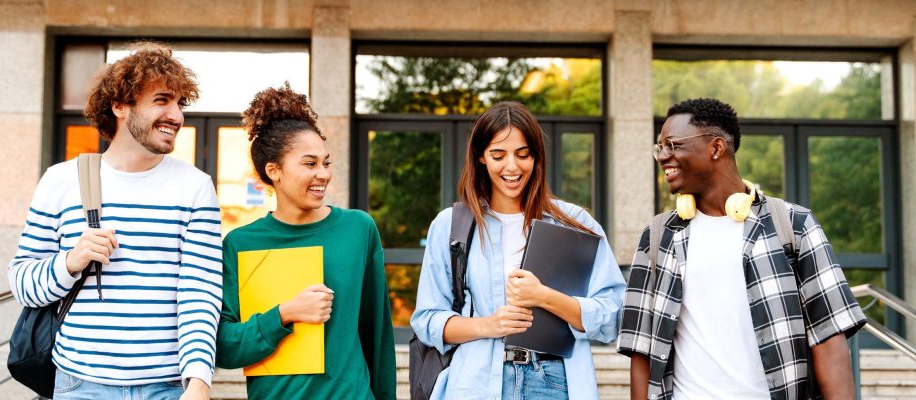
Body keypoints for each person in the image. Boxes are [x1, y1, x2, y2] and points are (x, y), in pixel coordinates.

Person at [7, 42, 222, 400]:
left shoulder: (195, 187)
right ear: (120, 105)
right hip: (80, 385)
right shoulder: (60, 181)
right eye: (162, 100)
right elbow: (21, 283)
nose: (176, 116)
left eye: (180, 104)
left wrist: (198, 380)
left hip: (167, 388)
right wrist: (69, 262)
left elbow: (200, 292)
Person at [618, 98, 867, 400]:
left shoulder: (793, 224)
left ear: (716, 148)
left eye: (673, 145)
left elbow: (829, 337)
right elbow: (641, 350)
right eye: (660, 148)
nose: (663, 157)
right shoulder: (657, 236)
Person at [411, 101, 626, 400]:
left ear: (536, 157)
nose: (512, 167)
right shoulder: (450, 225)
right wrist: (489, 325)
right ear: (481, 158)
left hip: (554, 381)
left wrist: (545, 297)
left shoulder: (574, 224)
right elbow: (427, 319)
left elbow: (613, 316)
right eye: (498, 155)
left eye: (522, 155)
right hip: (475, 382)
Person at [215, 84, 396, 399]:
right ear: (274, 171)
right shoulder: (240, 243)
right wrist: (284, 313)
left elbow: (376, 335)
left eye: (326, 163)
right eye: (310, 164)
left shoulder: (357, 229)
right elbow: (224, 347)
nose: (323, 174)